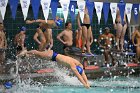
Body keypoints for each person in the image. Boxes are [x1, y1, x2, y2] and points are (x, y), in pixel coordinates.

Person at [20, 49, 90, 88]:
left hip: (53, 58)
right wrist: (84, 84)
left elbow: (83, 74)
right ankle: (26, 51)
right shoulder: (73, 64)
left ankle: (26, 55)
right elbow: (78, 75)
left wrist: (87, 83)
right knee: (38, 53)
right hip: (52, 55)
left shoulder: (79, 64)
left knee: (38, 55)